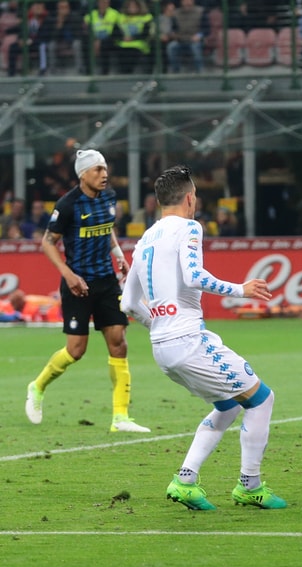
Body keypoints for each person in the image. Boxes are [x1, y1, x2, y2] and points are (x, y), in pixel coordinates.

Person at [120, 165, 286, 511]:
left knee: (228, 405)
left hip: (162, 348)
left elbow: (128, 304)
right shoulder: (189, 227)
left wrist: (158, 324)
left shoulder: (144, 240)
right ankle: (250, 486)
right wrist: (241, 289)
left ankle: (185, 480)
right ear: (189, 198)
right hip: (188, 340)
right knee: (261, 399)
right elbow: (194, 276)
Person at [25, 149, 150, 434]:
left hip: (106, 281)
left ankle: (120, 417)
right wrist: (68, 275)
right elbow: (47, 242)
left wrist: (118, 254)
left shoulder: (109, 196)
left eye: (105, 168)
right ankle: (38, 386)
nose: (104, 174)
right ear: (83, 174)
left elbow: (107, 228)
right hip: (78, 284)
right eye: (97, 170)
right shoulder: (68, 204)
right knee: (76, 350)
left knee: (118, 342)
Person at [165, 0, 204, 74]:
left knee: (195, 47)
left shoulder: (200, 11)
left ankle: (199, 72)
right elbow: (173, 28)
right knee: (171, 47)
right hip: (180, 40)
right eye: (185, 1)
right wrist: (173, 34)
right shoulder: (176, 13)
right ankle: (176, 71)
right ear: (181, 2)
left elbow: (206, 29)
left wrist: (199, 35)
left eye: (189, 1)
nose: (187, 3)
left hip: (195, 40)